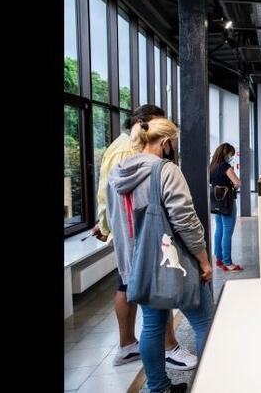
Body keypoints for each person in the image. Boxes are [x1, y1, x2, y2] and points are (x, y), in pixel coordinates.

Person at [107, 118, 214, 393]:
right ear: (165, 143)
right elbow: (185, 220)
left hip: (138, 266)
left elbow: (115, 221)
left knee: (153, 325)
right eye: (172, 143)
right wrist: (203, 260)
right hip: (173, 264)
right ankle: (209, 384)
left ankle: (158, 387)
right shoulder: (166, 171)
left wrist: (128, 268)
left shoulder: (116, 174)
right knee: (205, 322)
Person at [90, 105, 197, 370]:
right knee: (152, 300)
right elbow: (119, 196)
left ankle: (132, 346)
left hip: (130, 235)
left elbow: (108, 194)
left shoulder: (122, 147)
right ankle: (167, 347)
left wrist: (105, 223)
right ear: (142, 124)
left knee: (129, 288)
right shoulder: (131, 152)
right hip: (138, 238)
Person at [209, 143, 243, 271]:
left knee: (219, 229)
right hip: (227, 202)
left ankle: (218, 258)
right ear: (226, 153)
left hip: (216, 202)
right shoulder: (225, 166)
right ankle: (228, 263)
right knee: (227, 232)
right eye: (231, 154)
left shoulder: (212, 166)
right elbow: (237, 182)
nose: (231, 157)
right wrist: (233, 187)